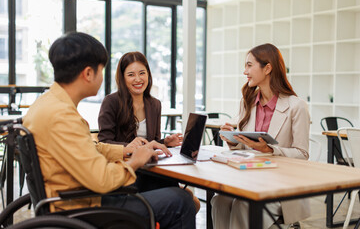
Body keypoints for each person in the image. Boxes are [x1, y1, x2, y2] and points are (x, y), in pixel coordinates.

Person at [23, 32, 196, 229]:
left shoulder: (46, 105)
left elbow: (88, 149)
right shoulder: (62, 116)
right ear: (88, 73)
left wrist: (125, 151)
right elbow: (102, 179)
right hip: (81, 208)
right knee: (181, 200)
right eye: (101, 69)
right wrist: (135, 161)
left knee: (164, 187)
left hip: (71, 199)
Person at [211, 43, 311, 229]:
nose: (245, 71)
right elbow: (245, 149)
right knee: (219, 201)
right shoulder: (247, 102)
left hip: (280, 186)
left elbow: (303, 154)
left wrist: (269, 149)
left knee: (244, 205)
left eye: (249, 65)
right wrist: (233, 140)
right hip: (248, 179)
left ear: (267, 68)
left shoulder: (297, 106)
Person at [97, 51, 200, 212]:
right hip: (127, 172)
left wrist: (165, 142)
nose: (138, 79)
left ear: (148, 75)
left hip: (151, 171)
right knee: (187, 200)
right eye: (131, 74)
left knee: (190, 200)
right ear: (123, 78)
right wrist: (130, 147)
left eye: (142, 73)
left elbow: (151, 142)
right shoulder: (111, 102)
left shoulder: (154, 104)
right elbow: (103, 143)